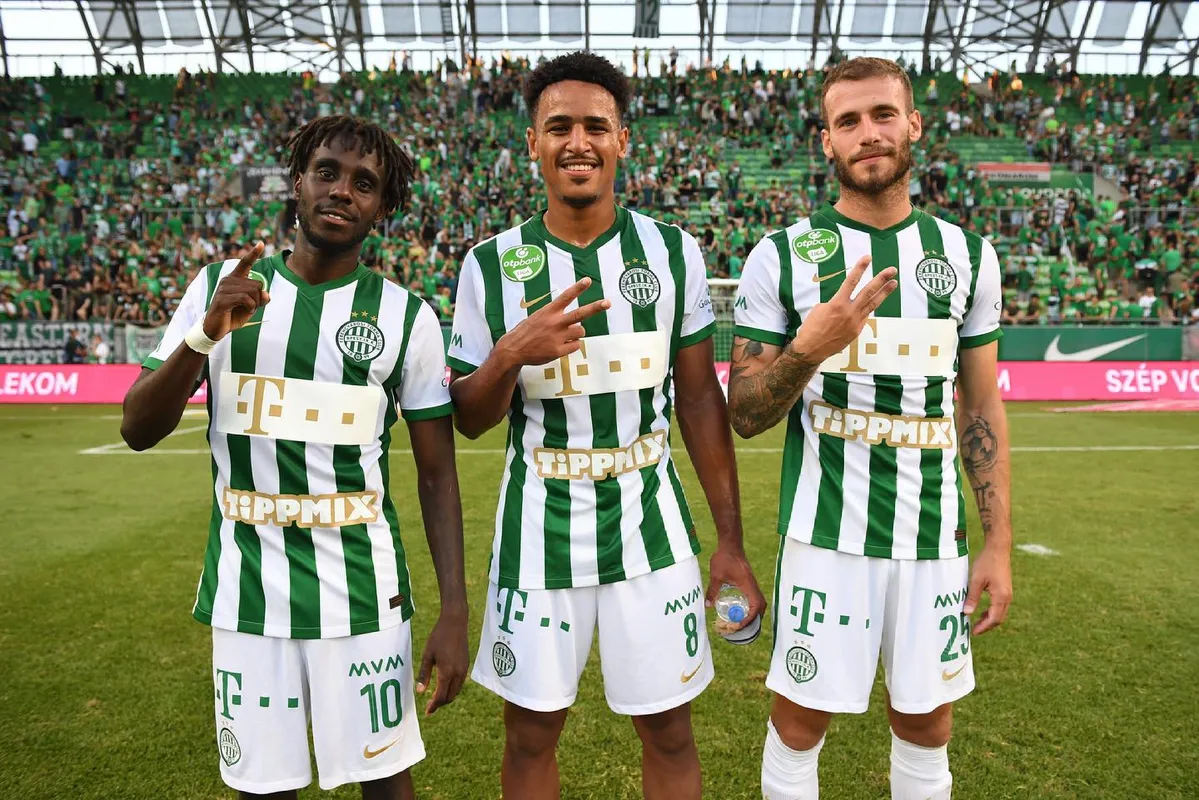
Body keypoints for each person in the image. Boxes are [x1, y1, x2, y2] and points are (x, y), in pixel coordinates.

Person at [446, 52, 765, 800]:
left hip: (649, 519)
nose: (577, 142)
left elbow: (698, 401)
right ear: (533, 143)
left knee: (669, 729)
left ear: (622, 140)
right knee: (529, 734)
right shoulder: (490, 265)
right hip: (538, 524)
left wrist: (728, 541)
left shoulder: (672, 252)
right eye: (558, 127)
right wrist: (509, 354)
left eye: (595, 126)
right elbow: (469, 418)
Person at [120, 116, 468, 800]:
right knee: (264, 788)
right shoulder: (220, 287)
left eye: (364, 183)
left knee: (384, 782)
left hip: (362, 589)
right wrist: (204, 335)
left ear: (384, 206)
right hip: (247, 588)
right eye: (327, 172)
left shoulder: (407, 317)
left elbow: (436, 473)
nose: (341, 191)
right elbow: (137, 427)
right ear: (298, 181)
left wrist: (454, 610)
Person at [728, 57, 1014, 799]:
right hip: (825, 534)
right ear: (826, 140)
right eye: (847, 121)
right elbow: (745, 413)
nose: (868, 133)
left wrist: (997, 544)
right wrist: (807, 350)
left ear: (912, 124)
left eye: (883, 114)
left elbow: (979, 407)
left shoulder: (968, 256)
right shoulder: (782, 255)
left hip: (934, 539)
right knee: (800, 721)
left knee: (927, 723)